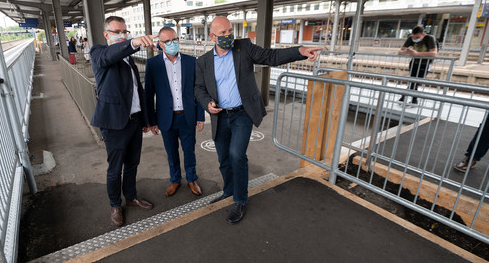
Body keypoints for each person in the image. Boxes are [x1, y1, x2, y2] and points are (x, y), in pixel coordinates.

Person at [194, 16, 322, 224]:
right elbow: (198, 88)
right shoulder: (203, 62)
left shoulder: (243, 47)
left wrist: (299, 51)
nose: (228, 36)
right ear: (212, 36)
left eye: (229, 31)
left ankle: (240, 199)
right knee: (224, 159)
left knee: (236, 155)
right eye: (223, 33)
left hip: (242, 113)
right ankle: (228, 191)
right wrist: (206, 102)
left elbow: (270, 56)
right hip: (220, 116)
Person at [90, 16, 158, 226]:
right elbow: (109, 57)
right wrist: (133, 43)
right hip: (114, 123)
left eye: (124, 32)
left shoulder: (129, 59)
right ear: (106, 34)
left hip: (135, 121)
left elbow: (138, 90)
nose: (121, 35)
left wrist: (146, 118)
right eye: (116, 32)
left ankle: (131, 196)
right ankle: (115, 204)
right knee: (115, 168)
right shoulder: (98, 52)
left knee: (132, 164)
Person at [145, 27, 205, 197]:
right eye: (167, 41)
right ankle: (175, 180)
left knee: (189, 150)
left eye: (175, 40)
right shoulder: (153, 64)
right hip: (166, 118)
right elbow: (148, 94)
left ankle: (192, 179)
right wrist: (152, 120)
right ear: (160, 44)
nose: (172, 44)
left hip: (187, 116)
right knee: (171, 152)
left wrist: (200, 116)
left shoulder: (190, 61)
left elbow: (198, 89)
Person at [397, 25, 437, 105]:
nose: (414, 39)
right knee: (412, 81)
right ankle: (410, 99)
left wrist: (417, 53)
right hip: (414, 62)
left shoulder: (429, 38)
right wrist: (407, 52)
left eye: (417, 37)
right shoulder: (410, 39)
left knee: (415, 81)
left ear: (423, 34)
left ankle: (406, 98)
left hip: (425, 63)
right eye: (413, 37)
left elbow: (434, 53)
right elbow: (400, 51)